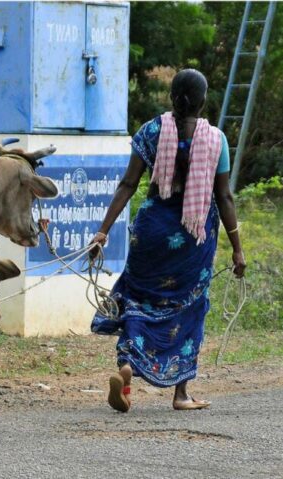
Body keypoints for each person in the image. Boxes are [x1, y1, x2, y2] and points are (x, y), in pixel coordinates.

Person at [89, 68, 247, 412]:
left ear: (171, 96)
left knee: (138, 298)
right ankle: (181, 393)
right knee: (188, 308)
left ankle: (128, 367)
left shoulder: (150, 132)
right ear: (203, 101)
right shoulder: (216, 140)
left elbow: (128, 185)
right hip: (193, 239)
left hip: (151, 234)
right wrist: (237, 248)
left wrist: (102, 230)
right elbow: (225, 197)